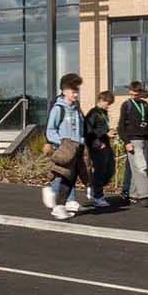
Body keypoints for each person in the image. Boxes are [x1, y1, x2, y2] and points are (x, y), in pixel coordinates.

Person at [40, 73, 87, 220]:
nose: (76, 94)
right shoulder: (58, 109)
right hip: (65, 150)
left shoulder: (77, 110)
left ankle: (64, 202)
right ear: (64, 90)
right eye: (73, 91)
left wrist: (82, 141)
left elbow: (81, 129)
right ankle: (57, 205)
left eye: (77, 91)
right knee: (63, 176)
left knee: (71, 177)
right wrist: (62, 143)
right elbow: (50, 130)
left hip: (77, 149)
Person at [115, 81, 148, 205]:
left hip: (146, 141)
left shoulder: (146, 106)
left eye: (136, 94)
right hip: (133, 140)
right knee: (140, 167)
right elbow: (121, 126)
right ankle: (144, 196)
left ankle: (133, 194)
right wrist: (127, 142)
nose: (133, 96)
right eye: (131, 93)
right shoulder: (126, 105)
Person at [83, 90, 117, 208]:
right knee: (100, 171)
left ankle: (93, 187)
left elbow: (102, 128)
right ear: (101, 100)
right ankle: (98, 196)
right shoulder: (93, 113)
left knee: (111, 169)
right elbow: (88, 132)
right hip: (97, 146)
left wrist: (109, 133)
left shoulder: (103, 113)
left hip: (106, 144)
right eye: (108, 103)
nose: (109, 106)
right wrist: (102, 137)